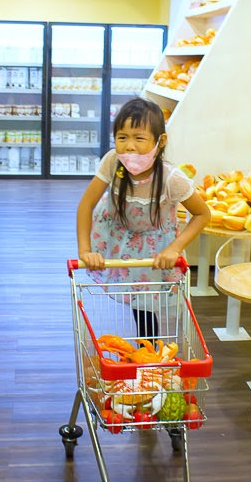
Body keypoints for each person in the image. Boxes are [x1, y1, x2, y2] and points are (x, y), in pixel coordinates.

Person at [77, 97, 210, 338]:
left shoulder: (171, 178)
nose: (129, 146)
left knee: (147, 308)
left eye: (139, 138)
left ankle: (146, 353)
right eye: (122, 137)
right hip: (117, 238)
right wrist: (85, 250)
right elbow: (86, 205)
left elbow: (202, 214)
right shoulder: (112, 162)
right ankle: (143, 354)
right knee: (135, 301)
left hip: (155, 247)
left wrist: (175, 248)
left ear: (161, 141)